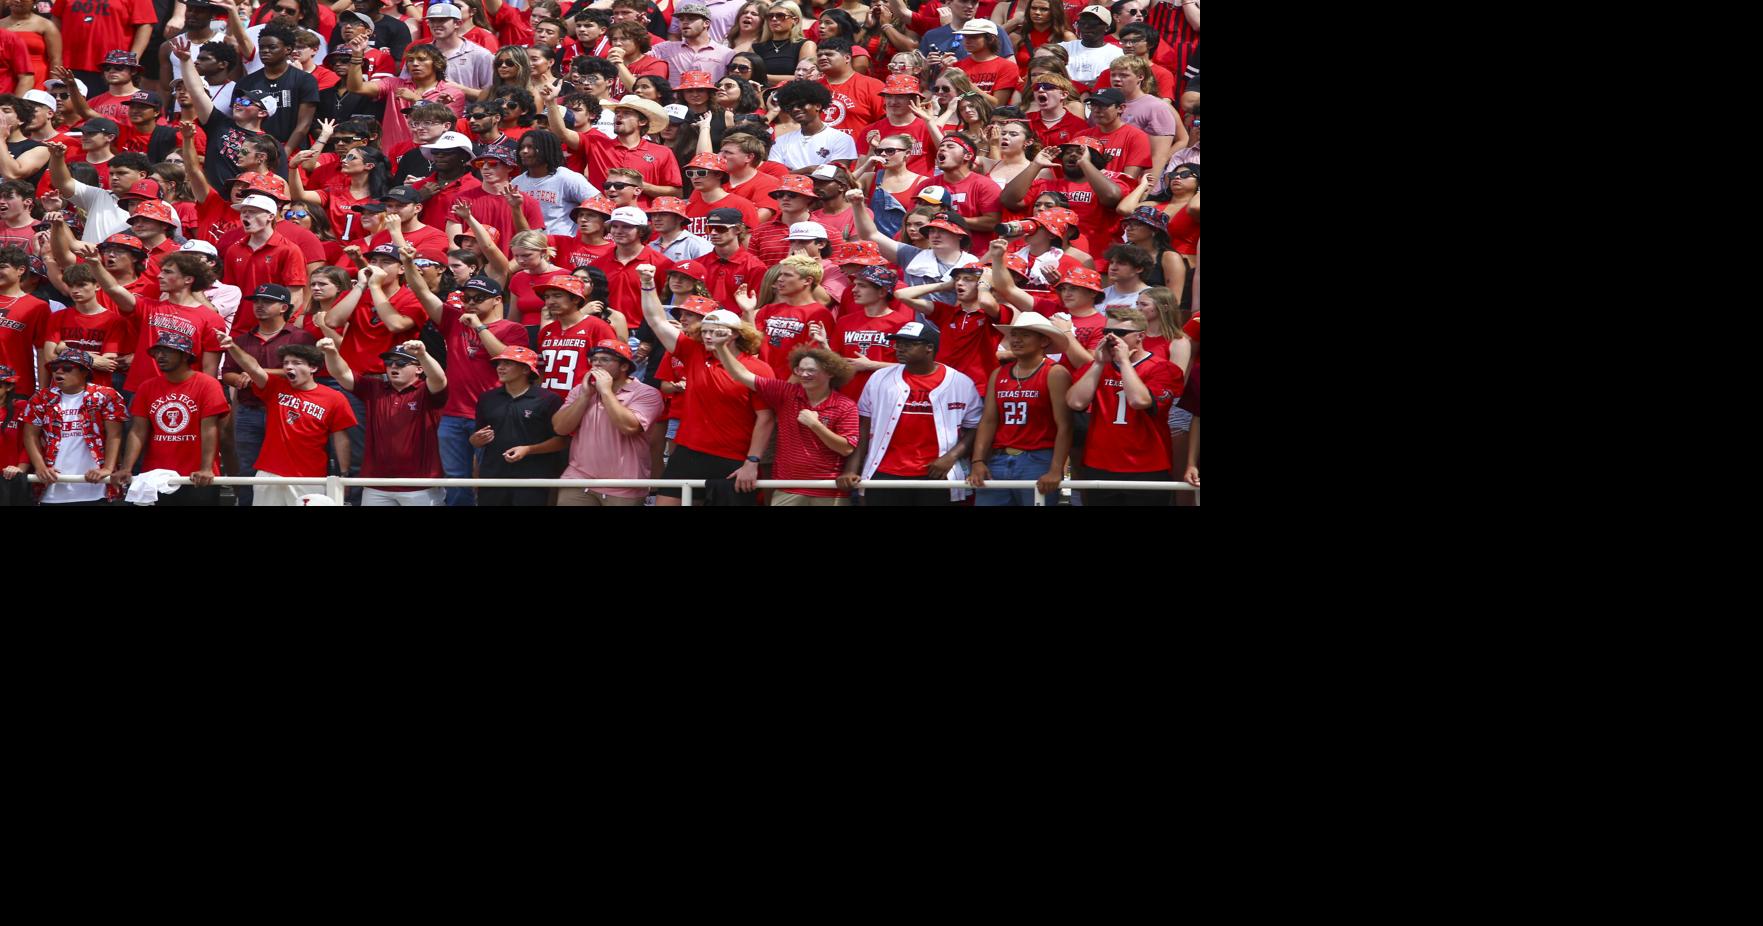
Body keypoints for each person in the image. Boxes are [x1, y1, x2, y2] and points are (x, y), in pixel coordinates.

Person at [636, 268, 773, 505]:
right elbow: (657, 320)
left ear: (735, 335)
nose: (709, 336)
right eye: (706, 331)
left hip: (734, 458)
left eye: (716, 331)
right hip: (689, 452)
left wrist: (753, 461)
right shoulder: (695, 352)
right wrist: (647, 283)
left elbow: (766, 418)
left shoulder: (758, 368)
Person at [844, 317, 981, 506]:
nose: (899, 348)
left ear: (929, 348)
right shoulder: (879, 379)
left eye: (908, 344)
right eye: (898, 343)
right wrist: (852, 468)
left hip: (937, 474)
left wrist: (951, 456)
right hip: (884, 472)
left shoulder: (960, 383)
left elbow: (975, 426)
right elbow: (863, 427)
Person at [710, 336, 857, 506]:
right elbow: (741, 374)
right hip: (787, 489)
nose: (804, 374)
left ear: (830, 372)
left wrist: (816, 425)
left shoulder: (846, 405)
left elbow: (846, 449)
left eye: (811, 370)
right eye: (799, 370)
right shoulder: (786, 393)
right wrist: (721, 347)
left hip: (828, 490)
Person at [218, 333, 355, 504]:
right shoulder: (275, 387)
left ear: (313, 368)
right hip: (269, 474)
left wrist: (343, 473)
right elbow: (253, 368)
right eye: (286, 363)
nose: (289, 367)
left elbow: (341, 438)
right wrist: (232, 346)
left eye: (296, 363)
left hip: (309, 478)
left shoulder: (334, 398)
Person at [1064, 304, 1180, 505]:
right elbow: (1075, 402)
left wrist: (1125, 362)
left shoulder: (1164, 369)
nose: (1111, 338)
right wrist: (1099, 364)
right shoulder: (1096, 366)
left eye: (1120, 333)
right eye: (1107, 332)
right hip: (1099, 464)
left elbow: (1139, 401)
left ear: (1140, 336)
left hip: (1147, 466)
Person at [317, 335, 448, 506]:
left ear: (419, 369)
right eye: (389, 363)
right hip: (376, 485)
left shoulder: (427, 391)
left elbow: (439, 379)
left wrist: (423, 355)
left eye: (401, 363)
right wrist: (331, 352)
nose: (393, 366)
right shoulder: (374, 389)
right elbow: (341, 373)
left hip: (420, 485)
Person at [221, 280, 316, 506]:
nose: (259, 305)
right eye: (257, 301)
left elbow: (310, 369)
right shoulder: (241, 340)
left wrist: (259, 372)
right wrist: (243, 378)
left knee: (289, 465)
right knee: (247, 467)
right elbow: (227, 374)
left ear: (284, 307)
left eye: (267, 301)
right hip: (250, 408)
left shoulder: (300, 337)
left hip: (288, 410)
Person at [967, 309, 1071, 505]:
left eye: (1025, 335)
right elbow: (988, 421)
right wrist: (978, 460)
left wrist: (1056, 469)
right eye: (1014, 334)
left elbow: (1064, 425)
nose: (1016, 340)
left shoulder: (1055, 373)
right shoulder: (998, 373)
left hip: (1038, 459)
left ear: (1044, 341)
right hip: (998, 459)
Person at [112, 330, 228, 505]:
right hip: (155, 476)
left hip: (196, 476)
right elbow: (138, 431)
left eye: (168, 351)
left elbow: (210, 429)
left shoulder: (208, 384)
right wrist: (127, 468)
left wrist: (206, 468)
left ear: (184, 356)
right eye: (157, 352)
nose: (160, 356)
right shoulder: (147, 387)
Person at [550, 338, 663, 506]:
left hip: (624, 484)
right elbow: (560, 428)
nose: (596, 364)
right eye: (593, 360)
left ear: (624, 366)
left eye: (604, 360)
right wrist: (584, 396)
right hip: (578, 479)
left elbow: (629, 427)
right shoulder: (581, 390)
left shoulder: (647, 393)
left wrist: (606, 392)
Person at [23, 347, 127, 504]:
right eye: (54, 368)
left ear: (85, 372)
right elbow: (30, 435)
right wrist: (40, 467)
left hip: (96, 487)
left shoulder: (106, 396)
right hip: (52, 489)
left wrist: (107, 468)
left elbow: (115, 435)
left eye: (67, 368)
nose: (59, 372)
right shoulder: (41, 398)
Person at [472, 344, 566, 505]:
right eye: (499, 364)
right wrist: (476, 440)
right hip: (493, 477)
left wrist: (528, 450)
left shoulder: (549, 399)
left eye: (508, 363)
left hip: (533, 479)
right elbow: (475, 440)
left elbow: (561, 441)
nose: (500, 368)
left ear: (526, 370)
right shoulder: (487, 398)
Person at [233, 23, 319, 159]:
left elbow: (304, 124)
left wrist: (284, 154)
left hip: (292, 151)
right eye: (262, 47)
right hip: (254, 152)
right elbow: (240, 122)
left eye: (272, 47)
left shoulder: (305, 80)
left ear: (288, 50)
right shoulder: (246, 82)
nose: (265, 51)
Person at [742, 253, 833, 378]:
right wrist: (748, 312)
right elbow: (753, 348)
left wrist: (785, 392)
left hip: (793, 389)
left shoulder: (819, 314)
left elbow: (810, 360)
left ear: (808, 281)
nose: (780, 279)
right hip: (763, 385)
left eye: (787, 275)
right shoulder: (768, 309)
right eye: (780, 274)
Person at [535, 272, 616, 399]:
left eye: (557, 296)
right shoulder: (546, 331)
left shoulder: (598, 327)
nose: (550, 301)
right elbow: (541, 371)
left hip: (584, 400)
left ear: (576, 299)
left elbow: (612, 368)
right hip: (548, 401)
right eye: (547, 297)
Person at [511, 128, 600, 234]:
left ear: (547, 149)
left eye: (531, 147)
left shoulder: (567, 178)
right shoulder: (516, 183)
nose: (524, 151)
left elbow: (599, 203)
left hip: (561, 246)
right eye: (522, 147)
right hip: (530, 245)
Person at [767, 79, 854, 169]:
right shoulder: (781, 141)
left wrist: (794, 173)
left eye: (800, 104)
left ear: (817, 106)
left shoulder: (841, 139)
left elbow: (837, 174)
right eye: (790, 107)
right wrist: (809, 170)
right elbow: (775, 175)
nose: (795, 109)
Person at [0, 241, 47, 395]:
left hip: (16, 389)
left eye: (2, 267)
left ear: (20, 270)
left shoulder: (37, 306)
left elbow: (42, 352)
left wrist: (43, 392)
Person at [1057, 5, 1122, 92]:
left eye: (1093, 23)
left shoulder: (1116, 53)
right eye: (1082, 22)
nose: (1086, 26)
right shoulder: (1064, 47)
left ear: (1107, 28)